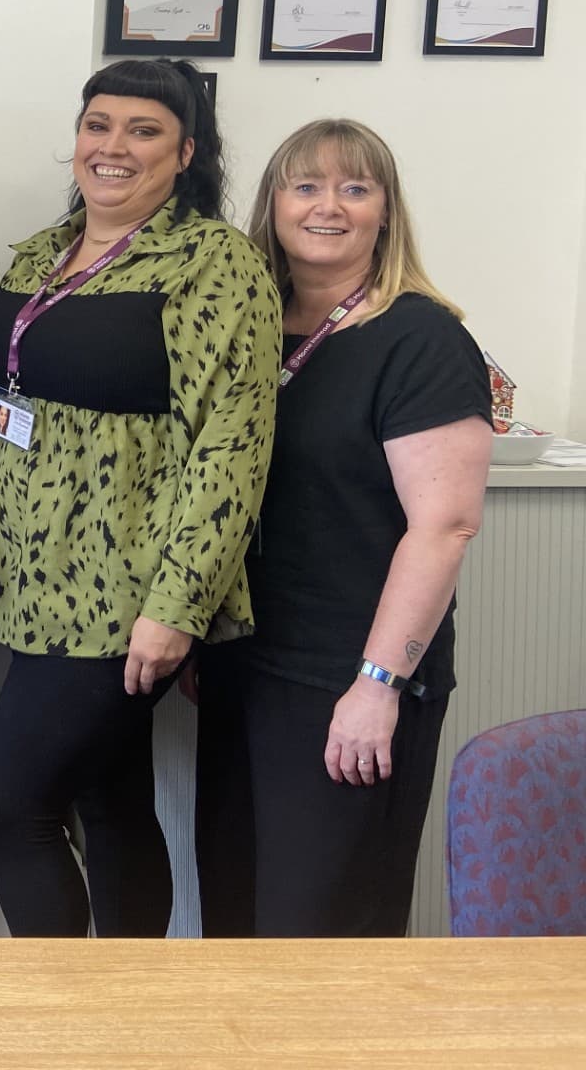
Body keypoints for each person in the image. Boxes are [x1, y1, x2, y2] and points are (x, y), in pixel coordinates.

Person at [0, 57, 278, 938]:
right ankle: (133, 1001)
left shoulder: (214, 262)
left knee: (10, 808)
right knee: (109, 796)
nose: (114, 146)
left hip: (126, 590)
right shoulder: (41, 252)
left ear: (187, 153)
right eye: (98, 125)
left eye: (144, 131)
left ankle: (69, 1010)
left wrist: (178, 607)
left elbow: (232, 450)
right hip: (30, 585)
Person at [195, 119, 490, 937]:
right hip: (244, 663)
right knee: (236, 920)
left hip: (348, 679)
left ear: (385, 213)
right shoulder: (250, 326)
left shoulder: (422, 339)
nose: (329, 206)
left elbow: (446, 526)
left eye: (355, 188)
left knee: (321, 935)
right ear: (274, 203)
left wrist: (377, 686)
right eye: (307, 186)